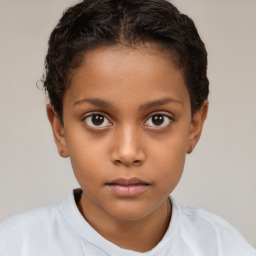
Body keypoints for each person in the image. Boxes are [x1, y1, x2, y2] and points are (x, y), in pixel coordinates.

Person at [0, 0, 255, 255]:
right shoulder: (15, 245)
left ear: (194, 127)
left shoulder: (224, 247)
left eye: (158, 119)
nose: (128, 152)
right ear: (61, 131)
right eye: (97, 119)